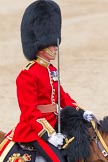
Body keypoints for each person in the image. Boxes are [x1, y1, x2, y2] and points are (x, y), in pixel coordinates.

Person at [0, 0, 94, 162]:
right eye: (52, 44)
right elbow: (30, 112)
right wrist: (49, 135)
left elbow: (62, 97)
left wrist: (82, 112)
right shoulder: (27, 74)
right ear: (40, 46)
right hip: (34, 130)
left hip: (56, 122)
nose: (56, 47)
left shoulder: (52, 70)